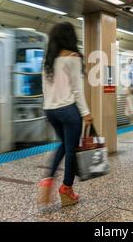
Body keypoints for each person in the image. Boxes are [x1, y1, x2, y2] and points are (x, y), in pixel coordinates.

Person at [38, 22, 93, 207]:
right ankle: (66, 190)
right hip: (68, 110)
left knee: (64, 145)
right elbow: (77, 90)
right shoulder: (73, 57)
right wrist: (86, 113)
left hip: (50, 110)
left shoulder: (48, 60)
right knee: (71, 150)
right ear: (70, 37)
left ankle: (47, 180)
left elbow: (45, 88)